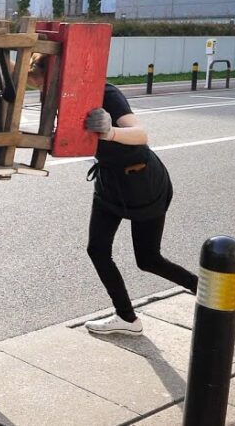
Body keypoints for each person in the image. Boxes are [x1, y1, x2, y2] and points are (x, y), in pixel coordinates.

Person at [79, 81, 198, 335]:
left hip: (142, 182)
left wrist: (110, 132)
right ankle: (127, 318)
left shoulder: (105, 92)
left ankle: (202, 289)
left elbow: (140, 134)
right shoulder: (63, 97)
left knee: (148, 259)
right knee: (97, 250)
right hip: (109, 183)